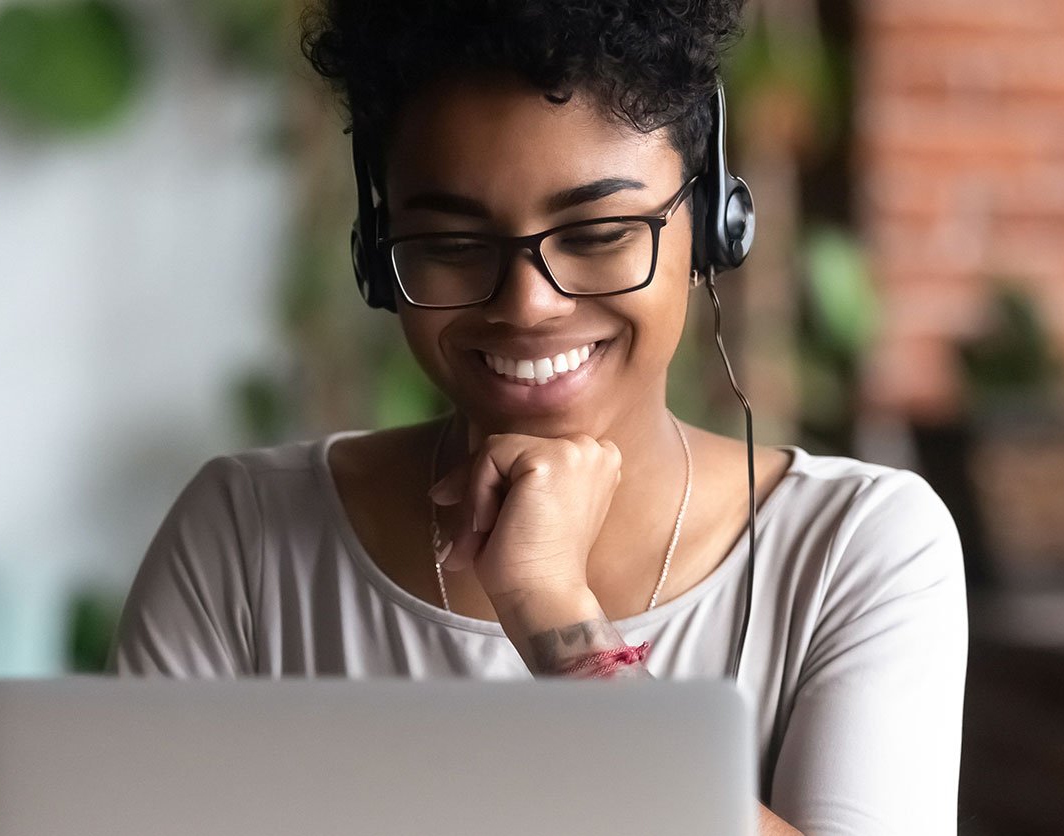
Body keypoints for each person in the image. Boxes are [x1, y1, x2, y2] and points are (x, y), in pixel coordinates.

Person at [110, 1, 967, 832]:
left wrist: (555, 611)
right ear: (380, 254)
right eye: (450, 245)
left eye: (597, 234)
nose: (528, 305)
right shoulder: (245, 537)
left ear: (710, 224)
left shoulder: (858, 548)